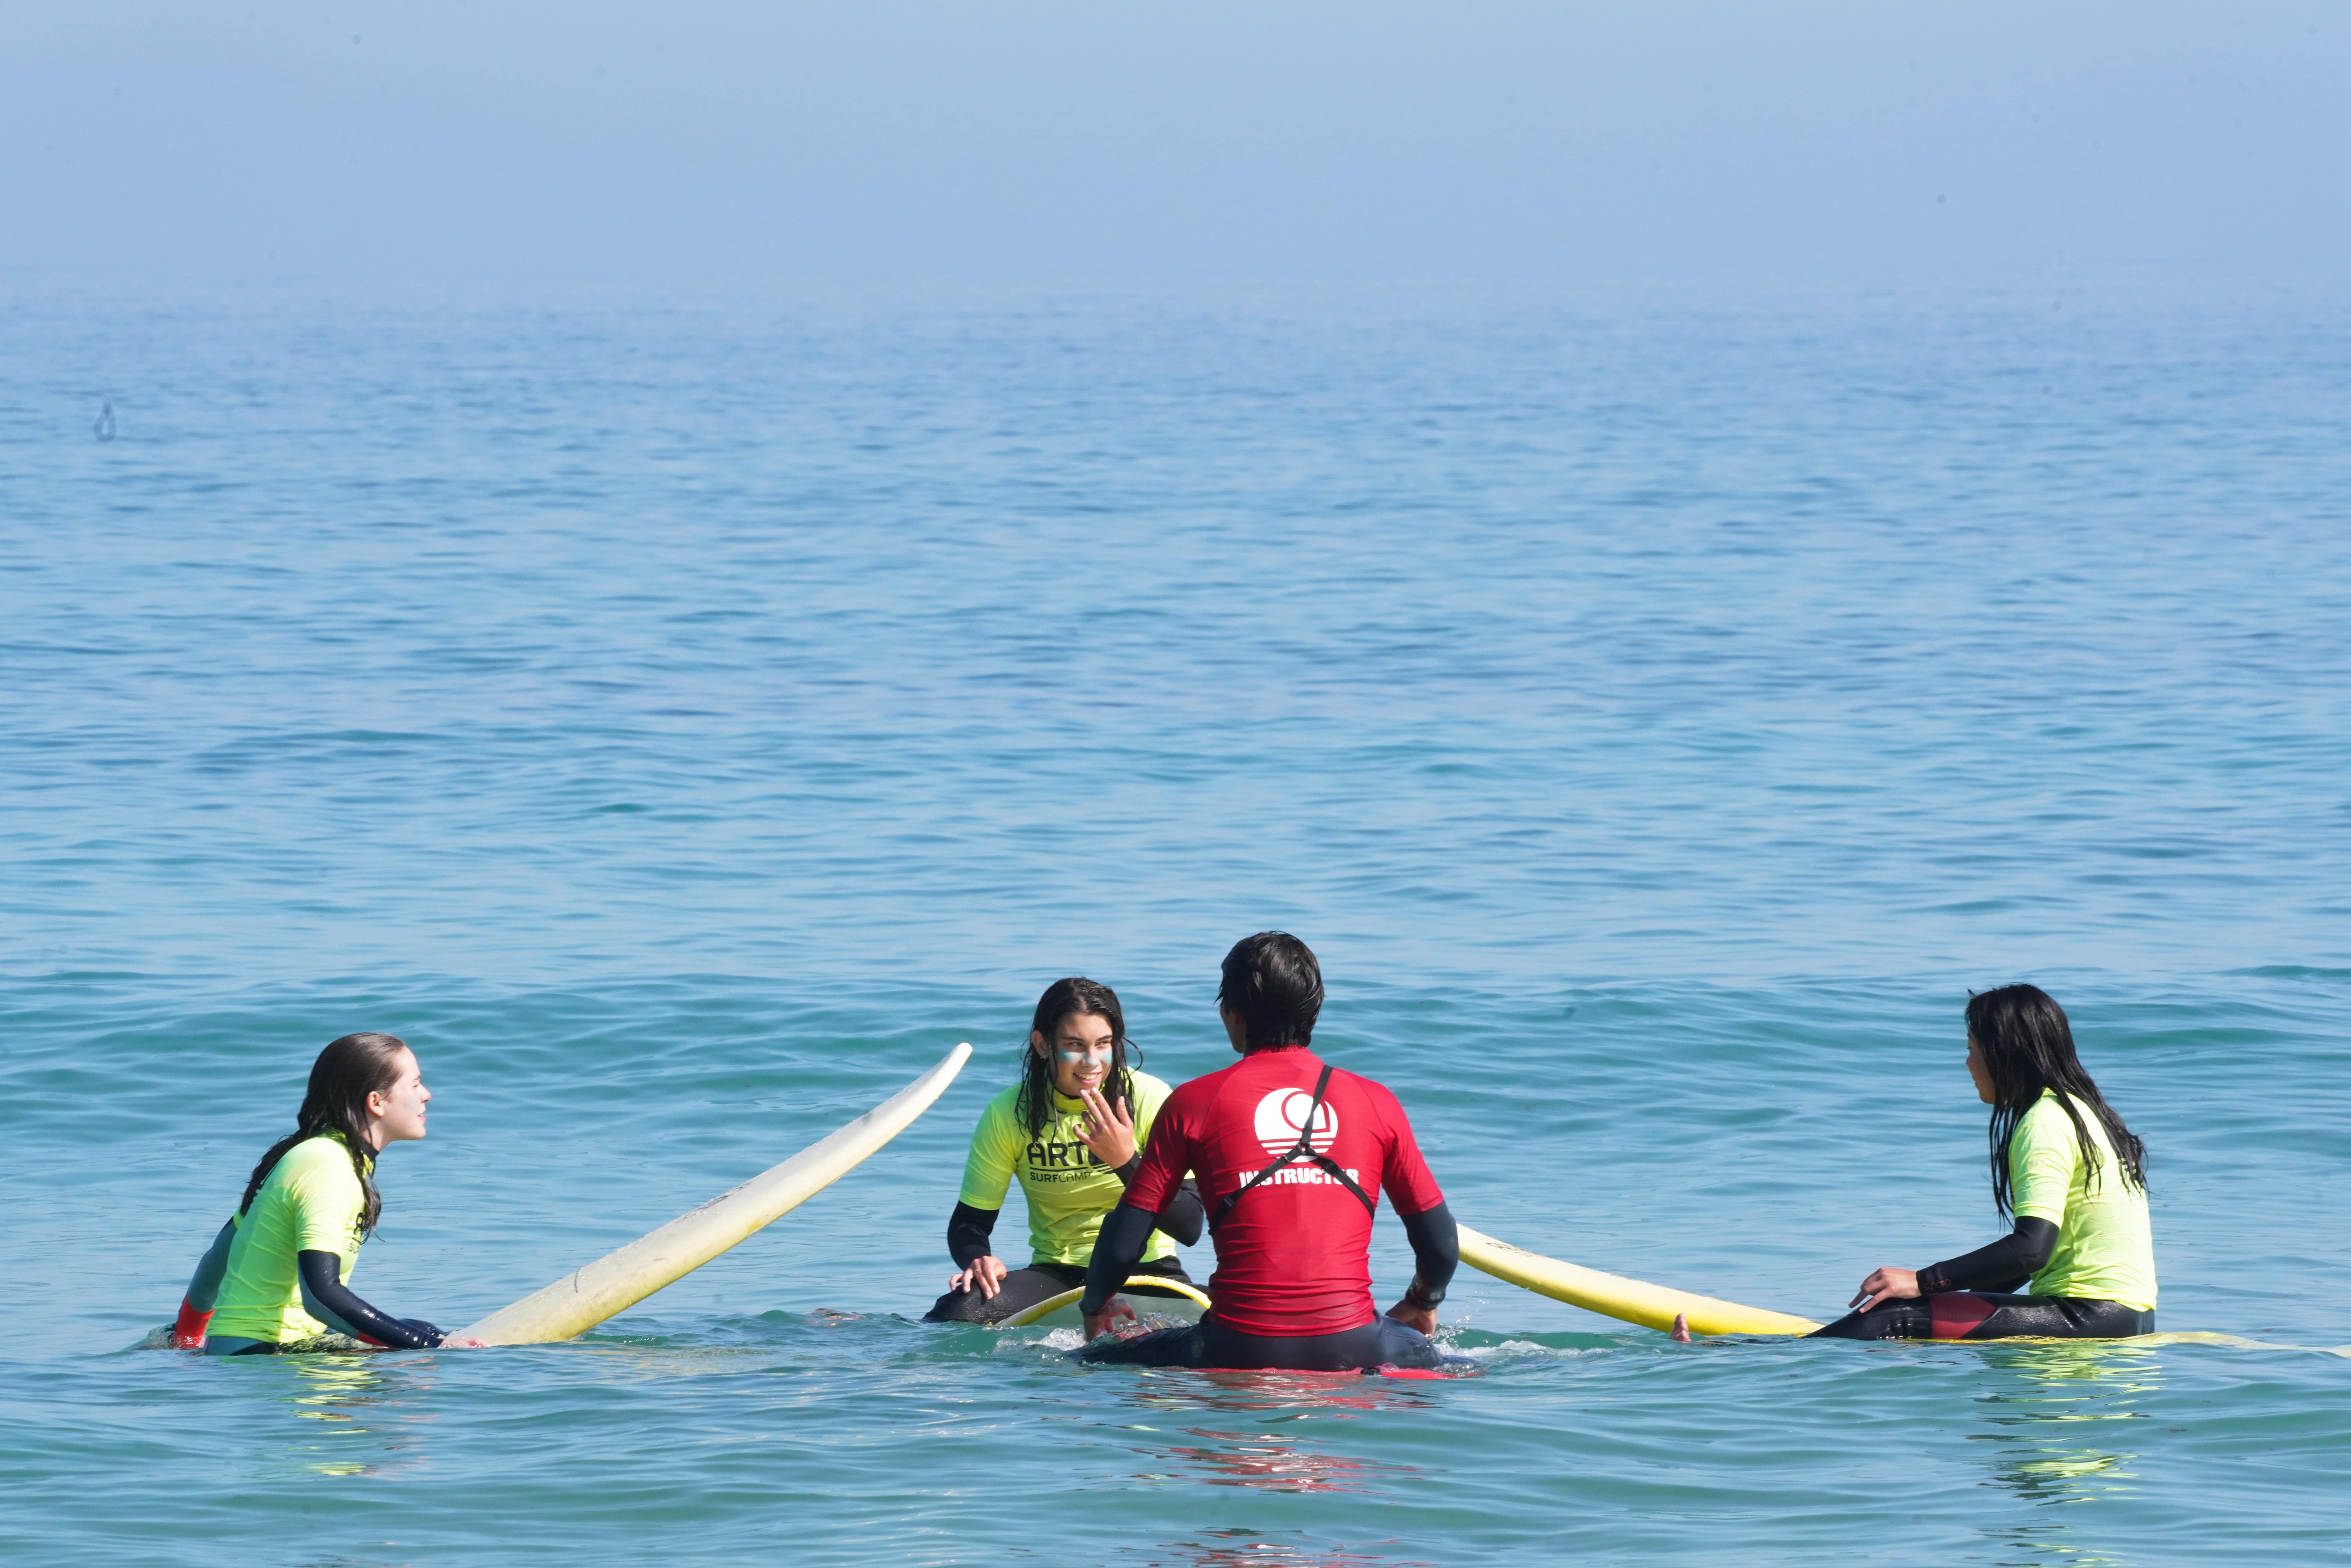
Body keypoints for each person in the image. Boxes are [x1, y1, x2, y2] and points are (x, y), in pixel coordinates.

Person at [1074, 932, 1458, 1371]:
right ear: (1314, 1010)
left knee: (1087, 1363)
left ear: (1231, 1014)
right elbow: (1440, 1242)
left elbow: (1126, 1236)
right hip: (1355, 1347)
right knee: (1449, 1361)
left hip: (1235, 1348)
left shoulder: (1193, 1102)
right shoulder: (1374, 1100)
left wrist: (1094, 1305)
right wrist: (1422, 1301)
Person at [1812, 984, 2156, 1341]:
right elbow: (2039, 1255)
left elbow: (2030, 1250)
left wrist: (1921, 1283)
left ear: (2001, 1054)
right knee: (1922, 1317)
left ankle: (1780, 1362)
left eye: (1971, 1049)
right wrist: (1946, 1306)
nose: (1967, 1063)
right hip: (2129, 1319)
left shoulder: (2044, 1121)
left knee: (1892, 1316)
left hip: (2086, 1318)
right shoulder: (2084, 1114)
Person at [172, 1033, 487, 1354]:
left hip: (246, 1354)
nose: (427, 1095)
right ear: (376, 1101)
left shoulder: (311, 1153)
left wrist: (186, 1338)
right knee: (419, 1351)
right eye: (416, 1084)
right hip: (264, 1358)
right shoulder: (329, 1168)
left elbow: (218, 1258)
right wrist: (429, 1346)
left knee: (418, 1331)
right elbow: (320, 1296)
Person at [924, 977, 1204, 1325]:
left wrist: (1124, 1161)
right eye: (1075, 1045)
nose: (1092, 1062)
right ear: (1043, 1045)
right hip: (1057, 1275)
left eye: (1103, 1044)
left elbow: (1190, 1225)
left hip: (1149, 1272)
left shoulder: (1149, 1099)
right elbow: (970, 1222)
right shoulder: (1009, 1112)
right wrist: (979, 1258)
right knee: (956, 1310)